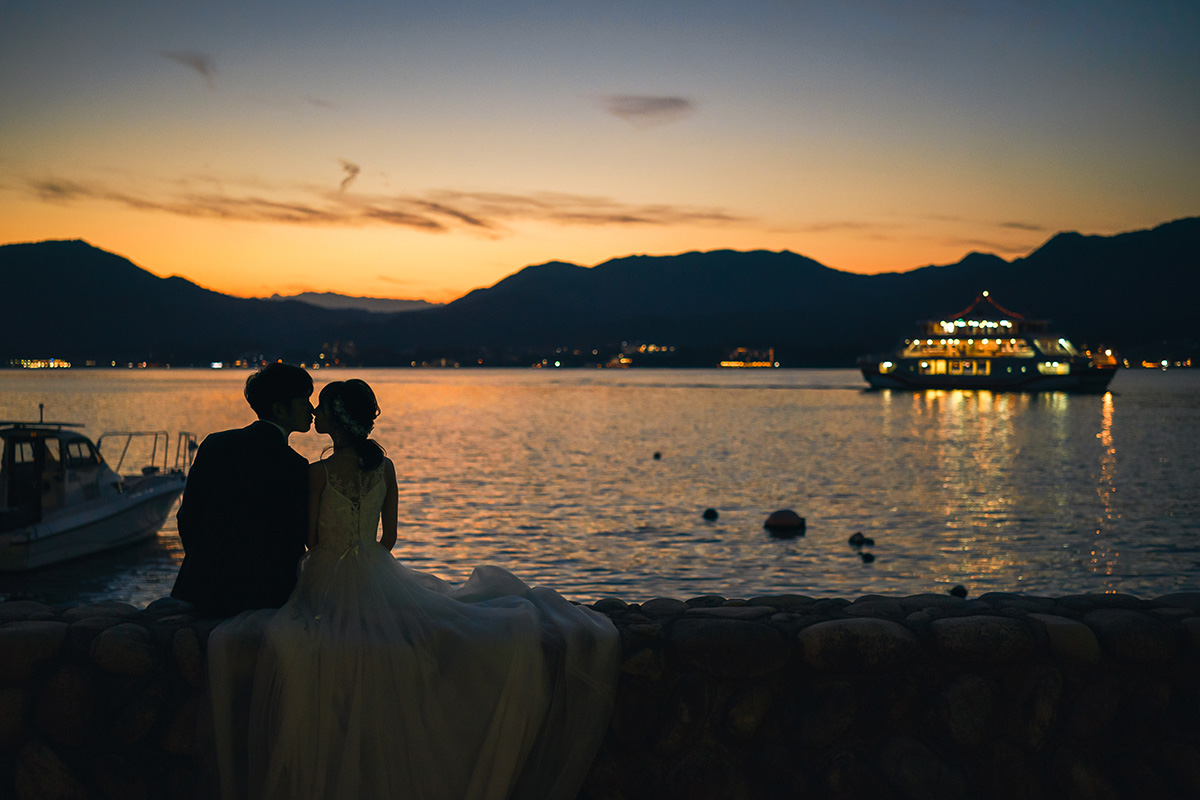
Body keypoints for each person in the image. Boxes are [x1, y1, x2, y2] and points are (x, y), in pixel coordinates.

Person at [213, 379, 619, 800]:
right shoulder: (384, 468)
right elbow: (389, 538)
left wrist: (330, 564)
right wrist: (368, 560)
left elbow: (311, 541)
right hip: (377, 568)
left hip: (327, 574)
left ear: (338, 419)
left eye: (323, 409)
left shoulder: (318, 472)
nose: (315, 413)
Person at [171, 363, 313, 616]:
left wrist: (204, 562)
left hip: (200, 589)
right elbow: (294, 537)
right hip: (265, 596)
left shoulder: (215, 444)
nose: (312, 410)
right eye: (304, 401)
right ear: (280, 409)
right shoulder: (294, 465)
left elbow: (187, 517)